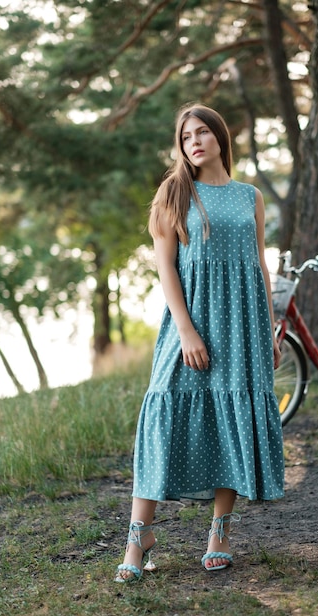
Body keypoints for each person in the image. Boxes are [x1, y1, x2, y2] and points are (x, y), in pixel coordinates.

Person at [115, 103, 284, 582]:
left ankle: (220, 535)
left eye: (203, 131)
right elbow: (166, 267)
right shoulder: (174, 192)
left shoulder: (250, 196)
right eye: (186, 134)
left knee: (234, 418)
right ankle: (139, 535)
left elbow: (260, 265)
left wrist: (269, 326)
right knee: (163, 412)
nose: (194, 140)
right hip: (191, 321)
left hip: (245, 325)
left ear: (219, 138)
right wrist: (186, 330)